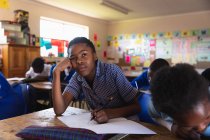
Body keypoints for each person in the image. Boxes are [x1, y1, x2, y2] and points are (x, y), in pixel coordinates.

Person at [52, 37, 140, 123]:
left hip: (128, 123)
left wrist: (110, 113)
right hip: (101, 126)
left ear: (94, 56)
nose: (79, 61)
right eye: (73, 58)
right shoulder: (78, 77)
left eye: (84, 54)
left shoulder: (112, 71)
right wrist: (56, 72)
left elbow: (136, 107)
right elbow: (59, 110)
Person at [150, 63, 210, 139]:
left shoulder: (204, 94)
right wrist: (171, 127)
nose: (202, 128)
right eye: (192, 126)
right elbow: (154, 116)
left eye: (207, 117)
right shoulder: (161, 106)